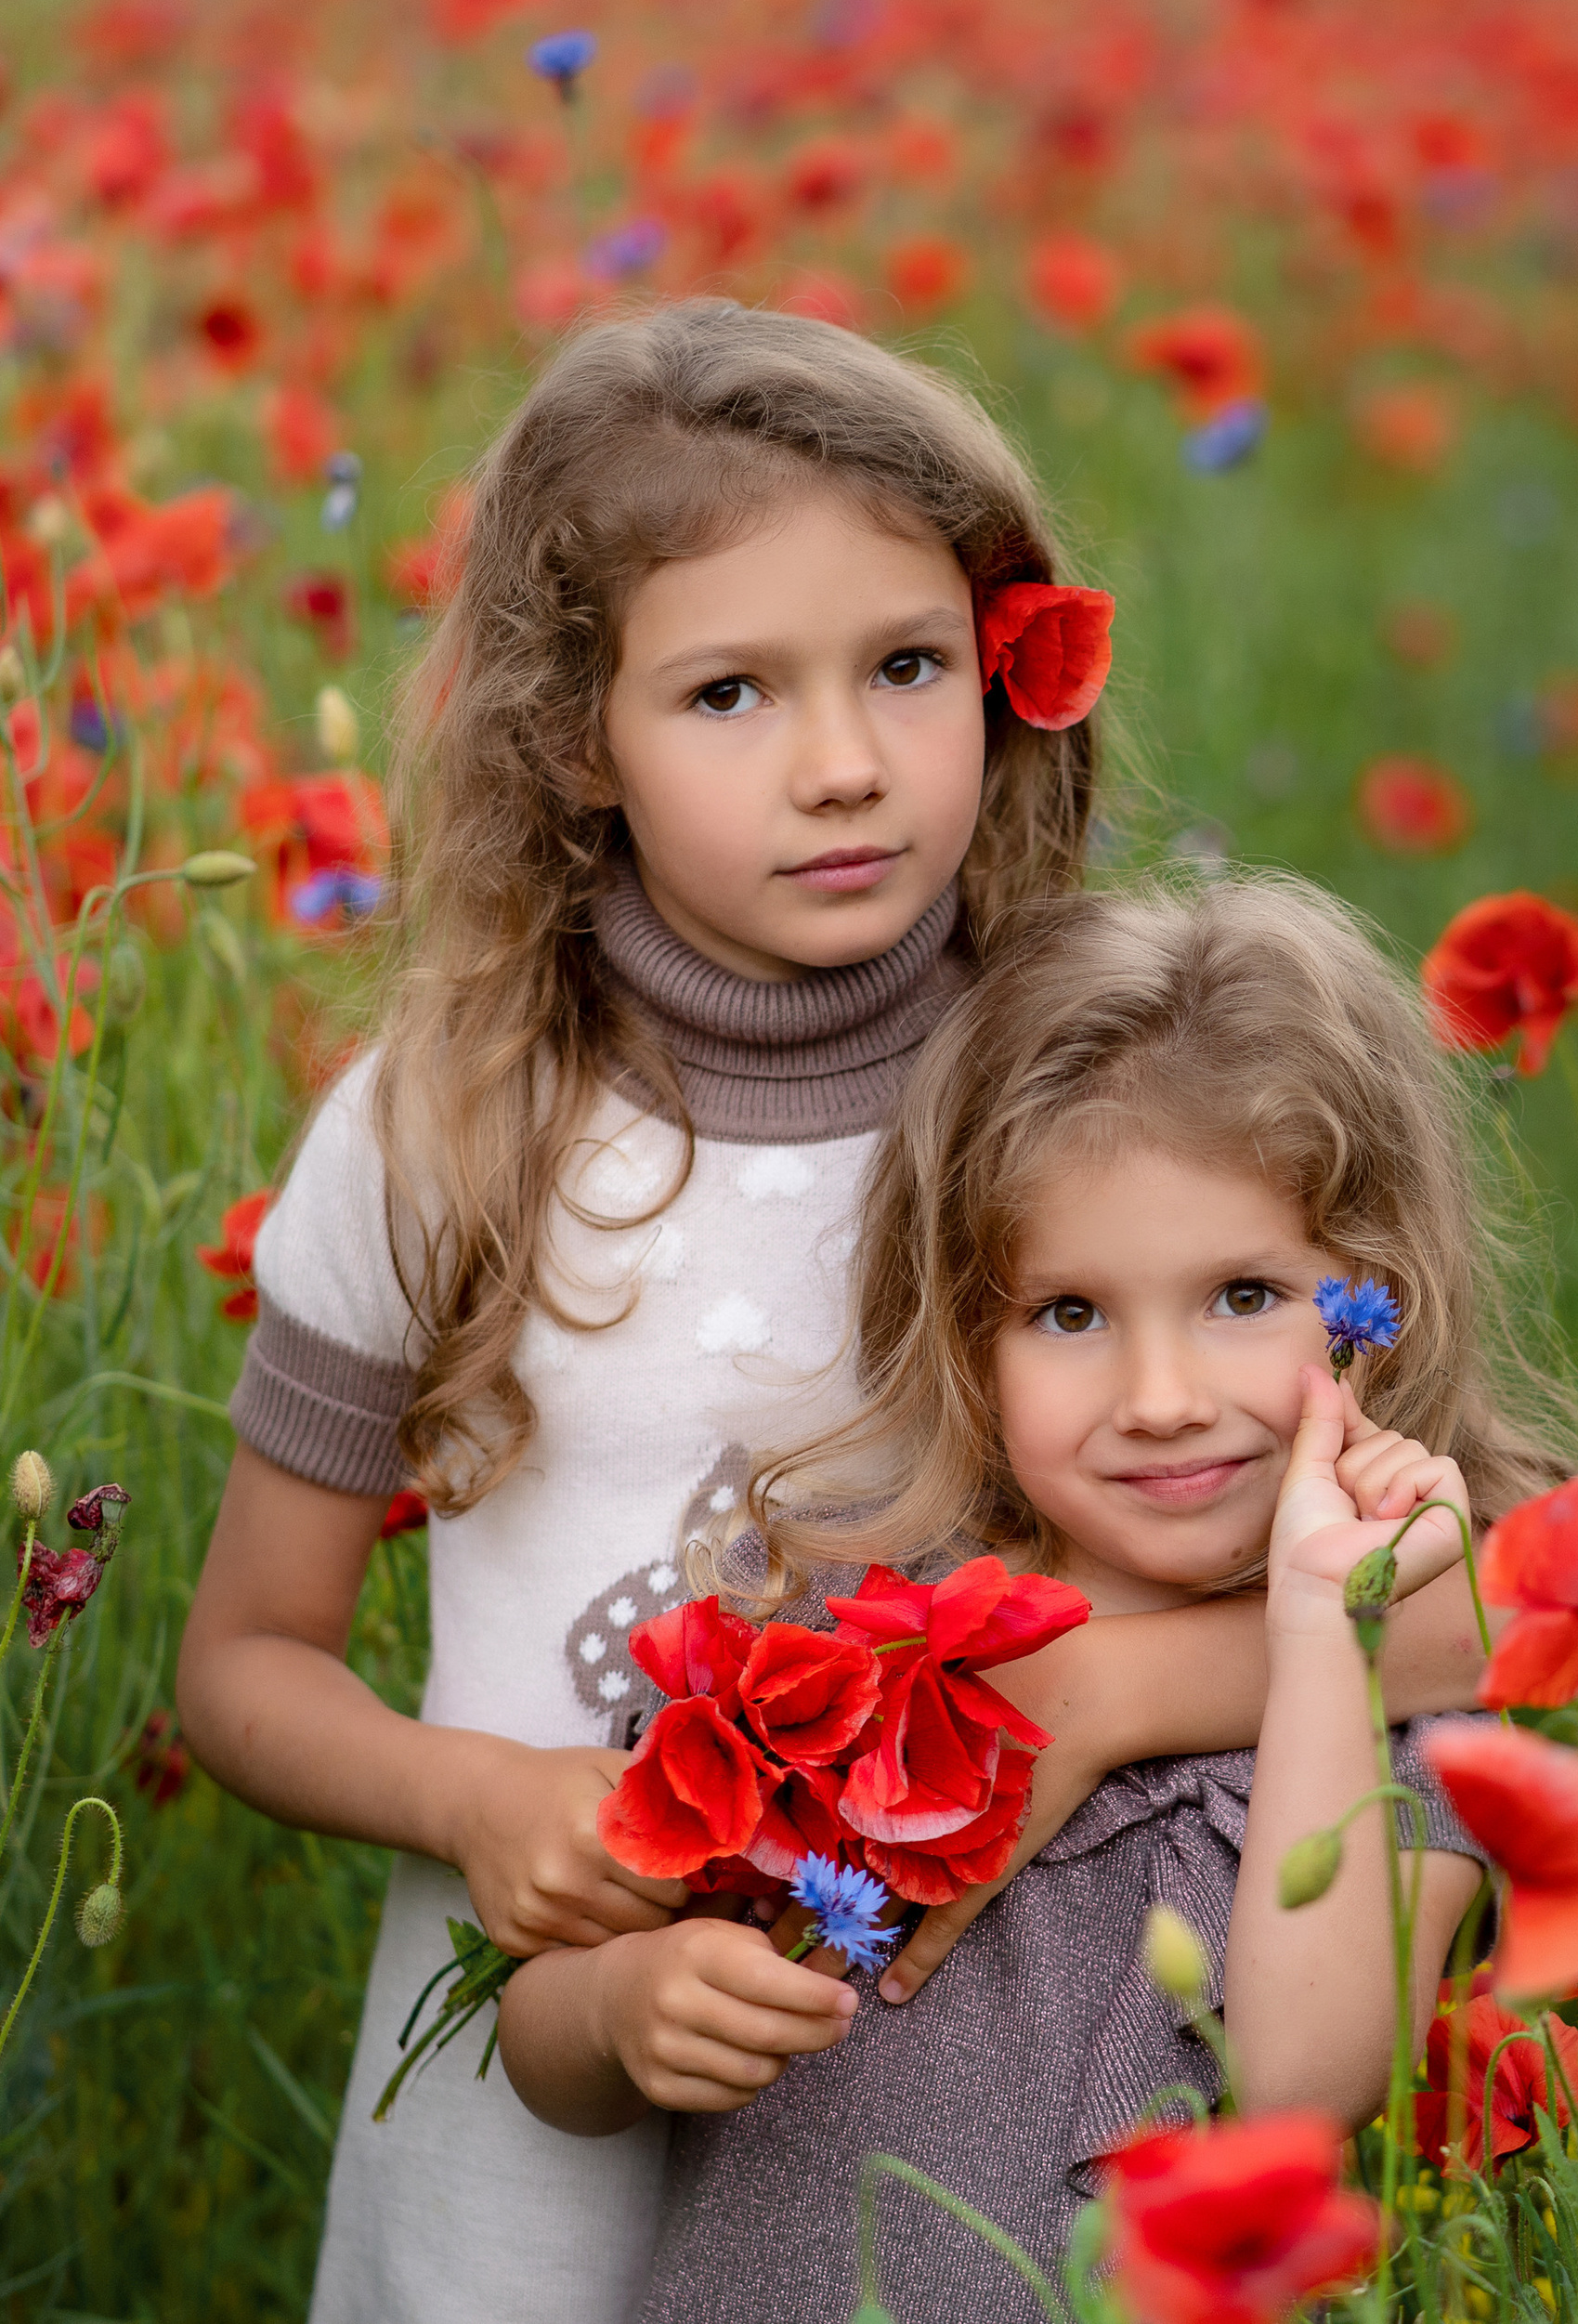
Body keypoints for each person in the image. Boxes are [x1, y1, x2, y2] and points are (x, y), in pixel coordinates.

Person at [173, 307, 1488, 2324]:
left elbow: (1444, 1601)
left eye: (904, 665)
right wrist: (487, 1800)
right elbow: (245, 1658)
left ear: (1006, 675)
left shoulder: (1078, 1083)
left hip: (942, 2073)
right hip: (552, 2072)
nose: (844, 763)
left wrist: (1097, 1702)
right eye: (725, 691)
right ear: (569, 738)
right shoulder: (445, 1124)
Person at [496, 873, 1578, 2322]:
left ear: (1377, 1293)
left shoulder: (1406, 1712)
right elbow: (547, 2031)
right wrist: (620, 2016)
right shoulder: (847, 1617)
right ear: (965, 1329)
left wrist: (1331, 1635)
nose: (1159, 1400)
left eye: (1244, 1297)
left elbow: (1305, 2078)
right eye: (1070, 1315)